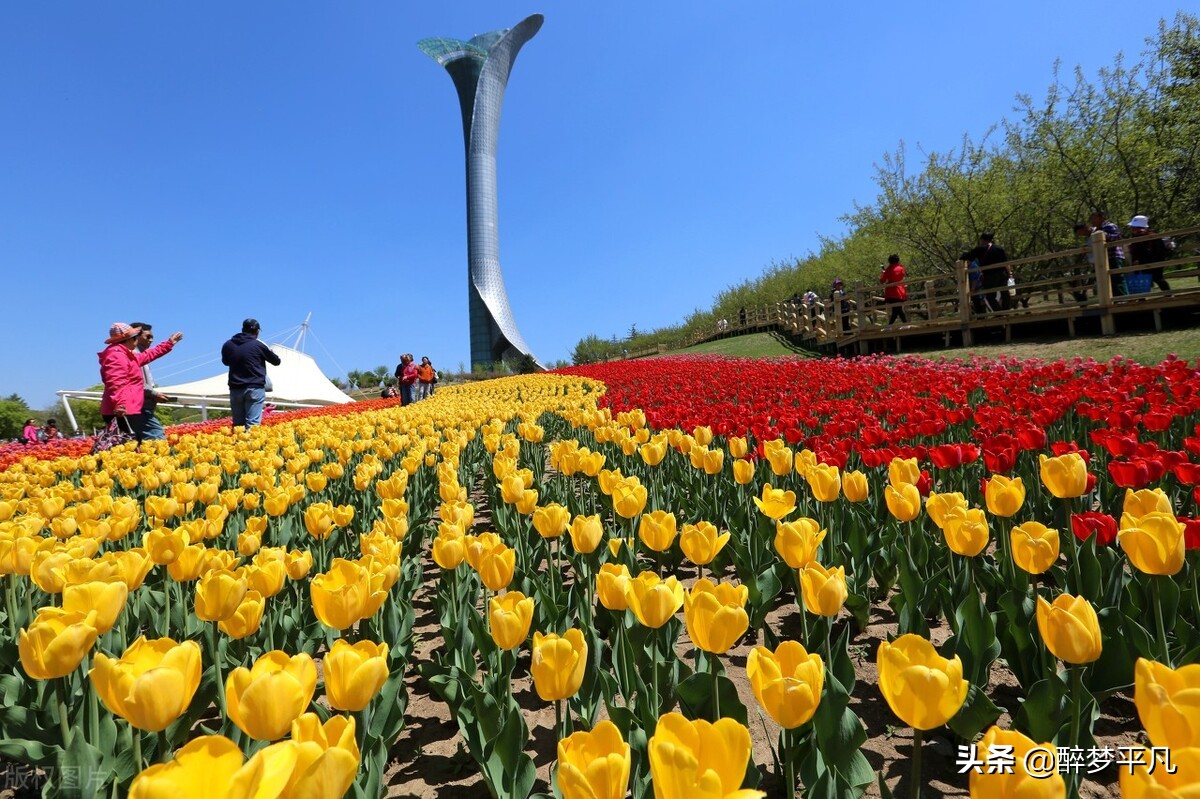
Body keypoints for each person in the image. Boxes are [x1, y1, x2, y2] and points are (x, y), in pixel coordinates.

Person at [99, 322, 183, 440]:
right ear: (129, 339)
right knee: (155, 436)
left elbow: (148, 355)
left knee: (135, 442)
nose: (136, 340)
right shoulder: (117, 356)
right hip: (125, 409)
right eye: (135, 337)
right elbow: (116, 382)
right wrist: (120, 404)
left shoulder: (125, 354)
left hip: (129, 407)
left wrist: (168, 344)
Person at [221, 318, 281, 428]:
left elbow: (225, 362)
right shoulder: (258, 345)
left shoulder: (228, 345)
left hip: (235, 388)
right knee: (253, 424)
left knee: (238, 425)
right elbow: (276, 361)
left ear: (242, 329)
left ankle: (239, 439)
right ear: (257, 331)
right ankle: (251, 440)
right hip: (254, 388)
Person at [130, 322, 174, 441]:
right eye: (148, 336)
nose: (151, 340)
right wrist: (153, 394)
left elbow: (155, 352)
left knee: (142, 441)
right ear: (136, 336)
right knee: (157, 438)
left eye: (152, 337)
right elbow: (134, 381)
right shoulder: (133, 355)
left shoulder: (141, 354)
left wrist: (169, 343)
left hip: (142, 405)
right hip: (139, 405)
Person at [960, 231, 1010, 312]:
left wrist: (961, 261)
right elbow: (1006, 263)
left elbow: (966, 257)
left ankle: (999, 312)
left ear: (982, 240)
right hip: (1002, 274)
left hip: (989, 275)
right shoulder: (1000, 248)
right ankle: (1006, 310)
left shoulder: (979, 249)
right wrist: (1009, 273)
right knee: (1005, 293)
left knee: (990, 296)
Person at [1126, 215, 1172, 291]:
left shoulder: (1152, 236)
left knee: (1158, 278)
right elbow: (1135, 250)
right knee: (1145, 279)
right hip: (1143, 262)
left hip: (1154, 261)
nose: (1132, 229)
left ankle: (1168, 294)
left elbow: (1157, 250)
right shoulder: (1136, 237)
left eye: (1134, 227)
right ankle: (1143, 297)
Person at [1089, 211, 1126, 296]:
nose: (1092, 221)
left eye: (1094, 218)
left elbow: (1116, 237)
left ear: (1101, 218)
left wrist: (1102, 234)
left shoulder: (1110, 226)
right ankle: (1116, 299)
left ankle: (1124, 298)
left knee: (1118, 278)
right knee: (1110, 280)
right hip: (1105, 257)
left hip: (1114, 255)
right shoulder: (1097, 230)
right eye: (1091, 219)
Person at [880, 255, 908, 325]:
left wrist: (883, 273)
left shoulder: (888, 270)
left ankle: (891, 326)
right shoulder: (901, 268)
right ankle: (903, 324)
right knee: (897, 309)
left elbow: (882, 281)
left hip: (891, 292)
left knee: (896, 309)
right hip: (900, 291)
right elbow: (904, 275)